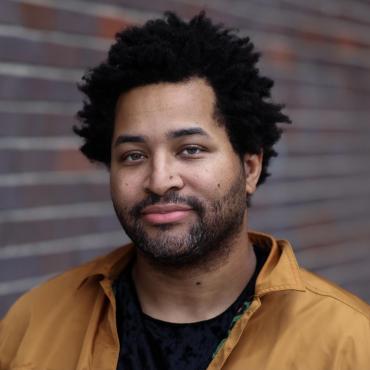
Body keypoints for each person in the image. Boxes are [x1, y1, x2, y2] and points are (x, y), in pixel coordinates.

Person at [0, 11, 369, 370]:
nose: (160, 180)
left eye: (190, 149)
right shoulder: (34, 323)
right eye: (133, 155)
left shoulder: (349, 343)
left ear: (250, 167)